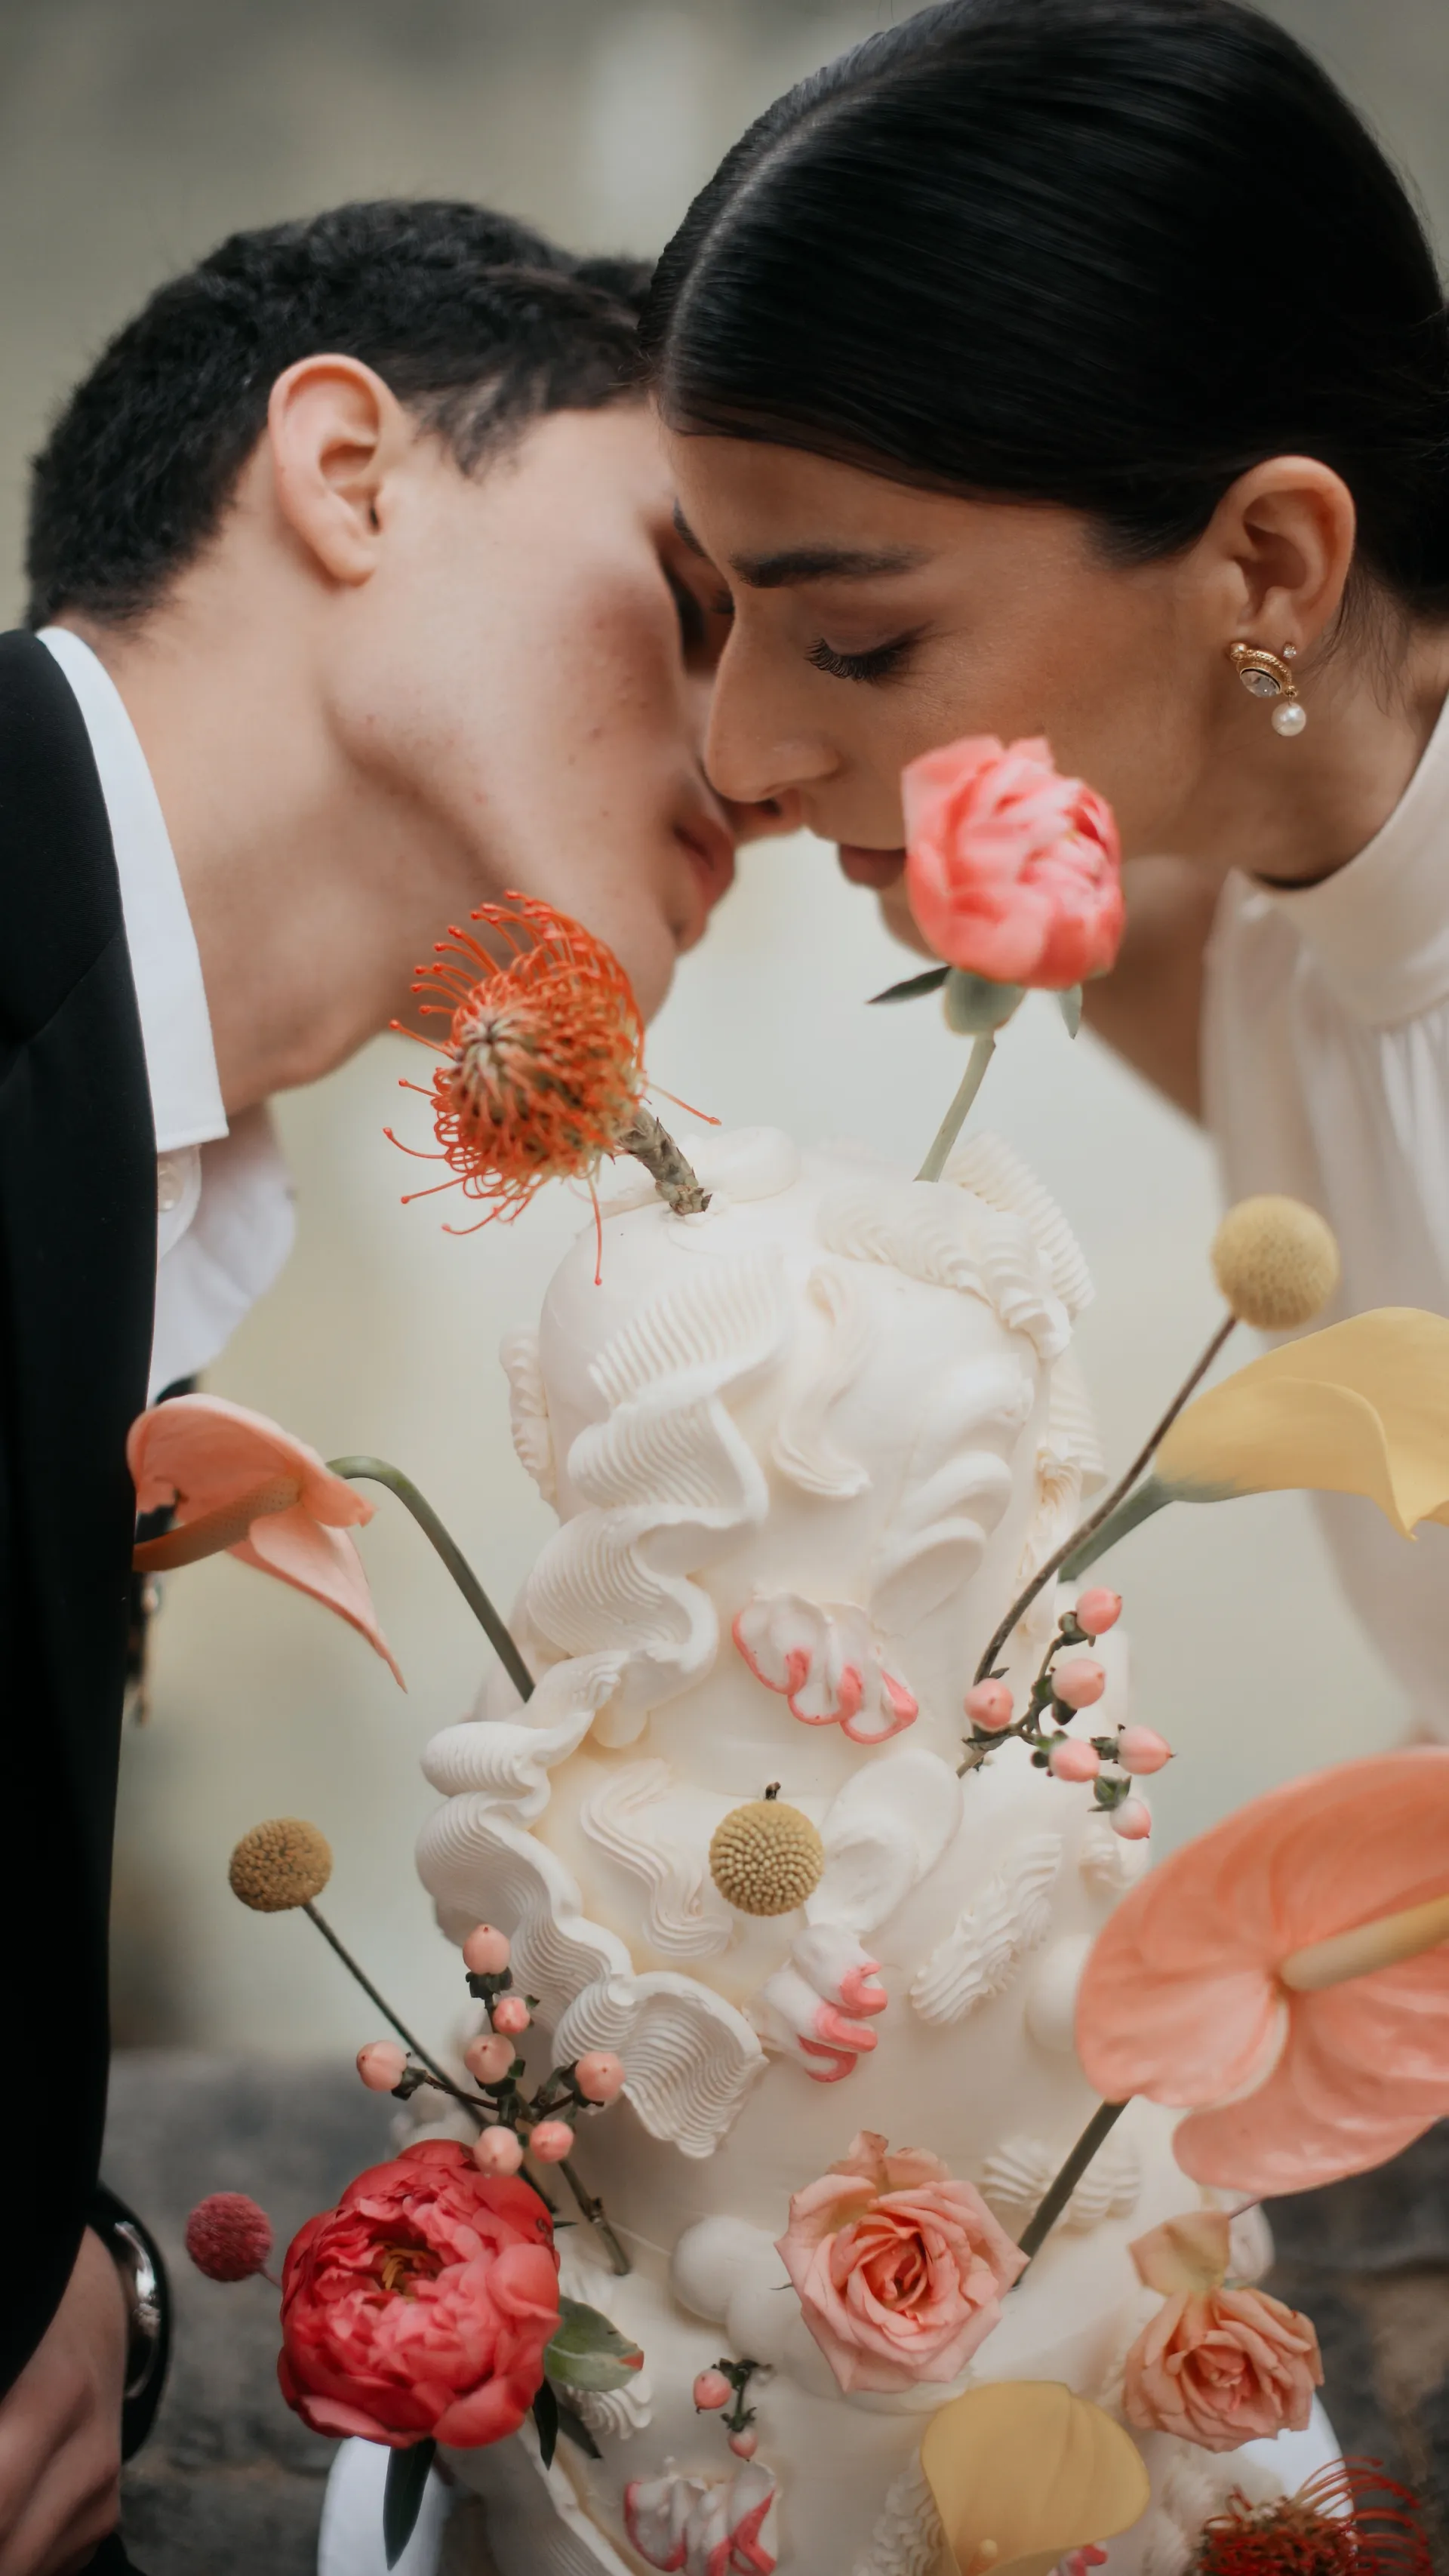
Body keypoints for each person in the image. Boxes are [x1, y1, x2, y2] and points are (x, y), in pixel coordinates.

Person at [0, 195, 785, 2574]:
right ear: (348, 470)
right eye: (693, 597)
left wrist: (94, 2281)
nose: (768, 756)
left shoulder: (157, 1173)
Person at [640, 0, 1449, 1735]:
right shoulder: (1239, 924)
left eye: (854, 640)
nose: (740, 752)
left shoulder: (1202, 939)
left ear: (1271, 564)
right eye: (714, 613)